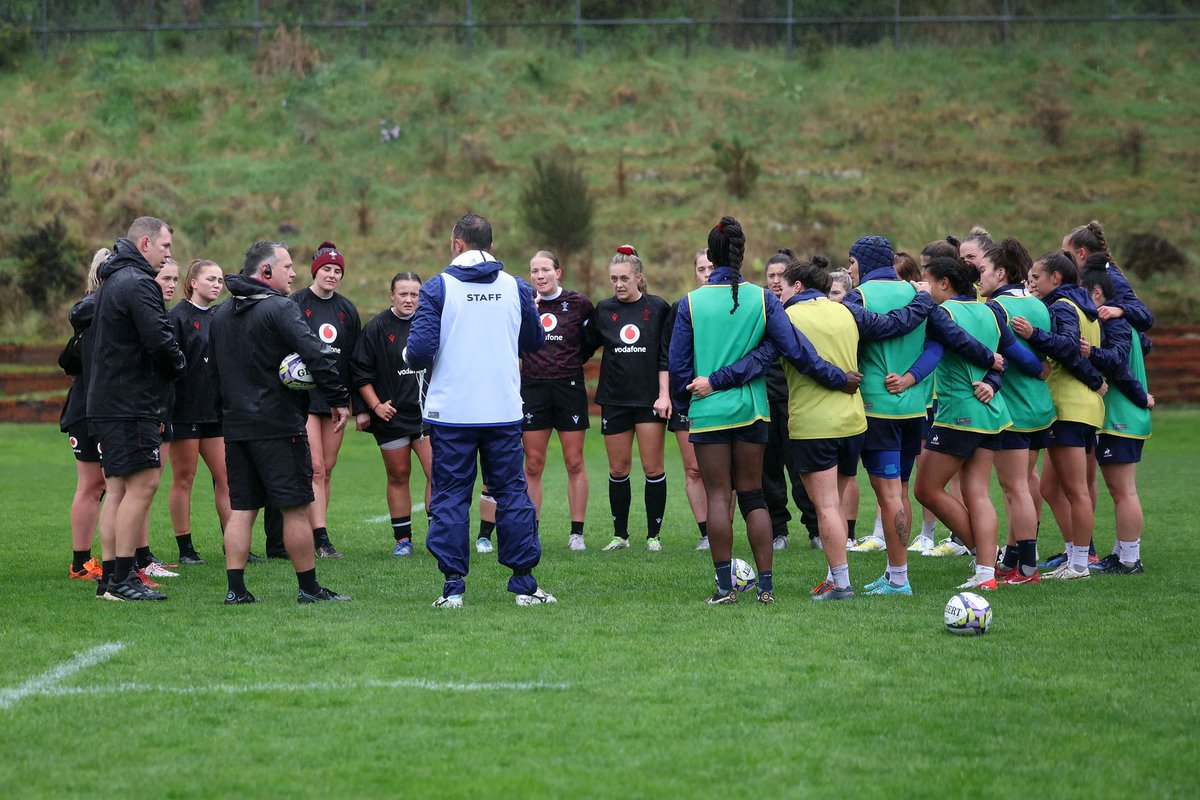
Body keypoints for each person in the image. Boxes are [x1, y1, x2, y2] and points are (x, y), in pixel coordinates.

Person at [670, 218, 863, 604]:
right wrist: (837, 378)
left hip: (708, 411)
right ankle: (766, 587)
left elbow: (678, 368)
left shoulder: (690, 302)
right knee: (754, 495)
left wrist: (685, 401)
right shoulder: (764, 300)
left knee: (719, 497)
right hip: (753, 411)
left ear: (711, 256)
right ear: (742, 256)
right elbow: (796, 351)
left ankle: (725, 589)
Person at [406, 214, 554, 608]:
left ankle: (453, 586)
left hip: (452, 413)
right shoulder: (516, 287)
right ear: (490, 243)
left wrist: (410, 352)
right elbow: (534, 341)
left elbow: (419, 350)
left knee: (452, 496)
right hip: (503, 410)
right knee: (512, 493)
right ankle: (524, 583)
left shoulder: (438, 287)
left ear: (457, 243)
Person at [210, 240, 352, 604]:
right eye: (287, 266)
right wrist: (337, 398)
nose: (293, 273)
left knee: (242, 509)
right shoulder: (281, 308)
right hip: (279, 426)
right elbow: (316, 355)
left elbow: (215, 372)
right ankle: (309, 589)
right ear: (266, 272)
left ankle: (236, 590)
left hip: (237, 427)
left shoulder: (222, 313)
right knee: (296, 507)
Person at [911, 255, 1044, 591]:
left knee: (925, 489)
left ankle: (982, 551)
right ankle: (985, 574)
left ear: (944, 283)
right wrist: (1039, 367)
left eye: (927, 280)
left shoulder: (944, 314)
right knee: (978, 494)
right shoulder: (992, 311)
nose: (923, 286)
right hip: (992, 414)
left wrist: (909, 379)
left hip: (958, 413)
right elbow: (1012, 359)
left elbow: (933, 355)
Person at [86, 217, 186, 601]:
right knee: (142, 484)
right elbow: (159, 339)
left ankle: (110, 579)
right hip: (130, 402)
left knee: (117, 489)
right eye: (164, 248)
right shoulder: (138, 282)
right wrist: (179, 365)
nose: (168, 256)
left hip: (110, 400)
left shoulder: (114, 278)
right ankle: (124, 580)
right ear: (145, 243)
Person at [1010, 252, 1107, 580]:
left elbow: (1066, 347)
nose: (1032, 282)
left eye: (1037, 276)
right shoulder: (1085, 308)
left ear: (1056, 278)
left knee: (1076, 489)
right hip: (1082, 406)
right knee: (1051, 488)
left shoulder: (1062, 306)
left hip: (1071, 407)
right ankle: (1074, 554)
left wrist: (1033, 335)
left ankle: (1080, 563)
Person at [583, 245, 673, 553]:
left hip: (648, 400)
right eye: (613, 279)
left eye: (624, 278)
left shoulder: (659, 307)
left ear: (638, 277)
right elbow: (584, 346)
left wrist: (664, 394)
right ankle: (620, 535)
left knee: (652, 468)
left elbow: (666, 355)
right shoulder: (604, 310)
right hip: (615, 399)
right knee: (618, 470)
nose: (619, 284)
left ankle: (653, 536)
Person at [979, 239, 1055, 585]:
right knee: (1025, 483)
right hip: (1040, 406)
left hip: (1014, 408)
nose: (979, 278)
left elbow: (1005, 355)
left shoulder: (998, 307)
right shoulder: (1039, 304)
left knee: (1015, 488)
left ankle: (1027, 568)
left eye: (982, 270)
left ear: (1001, 272)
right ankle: (1013, 559)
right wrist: (1042, 369)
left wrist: (1036, 368)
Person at [288, 241, 366, 558]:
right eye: (327, 269)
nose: (332, 274)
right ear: (315, 270)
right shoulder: (295, 303)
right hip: (305, 398)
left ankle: (316, 530)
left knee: (328, 469)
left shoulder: (346, 310)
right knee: (315, 468)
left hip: (336, 400)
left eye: (337, 270)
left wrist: (354, 405)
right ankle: (320, 539)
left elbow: (355, 361)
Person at [351, 271, 433, 557]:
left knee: (437, 472)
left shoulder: (432, 323)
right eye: (403, 294)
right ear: (392, 296)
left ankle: (438, 535)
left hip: (427, 416)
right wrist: (375, 406)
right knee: (398, 475)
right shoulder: (376, 327)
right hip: (391, 416)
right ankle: (403, 540)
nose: (409, 299)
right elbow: (360, 372)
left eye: (415, 294)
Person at [517, 250, 594, 550]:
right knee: (533, 464)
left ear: (557, 273)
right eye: (534, 271)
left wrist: (572, 361)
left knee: (574, 461)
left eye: (545, 269)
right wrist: (528, 309)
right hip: (533, 388)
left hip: (568, 387)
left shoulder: (579, 304)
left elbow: (590, 340)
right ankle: (530, 530)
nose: (539, 276)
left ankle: (576, 533)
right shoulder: (522, 303)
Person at [1080, 262, 1152, 575]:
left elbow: (1119, 366)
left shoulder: (1113, 322)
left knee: (1124, 491)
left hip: (1123, 417)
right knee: (1119, 490)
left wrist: (1090, 353)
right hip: (1123, 415)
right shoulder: (1117, 319)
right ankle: (1121, 552)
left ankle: (1129, 560)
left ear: (1097, 293)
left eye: (1084, 294)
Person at [165, 259, 231, 565]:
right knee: (185, 477)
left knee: (226, 477)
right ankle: (186, 548)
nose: (218, 284)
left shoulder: (221, 316)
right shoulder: (177, 317)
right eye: (211, 279)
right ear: (192, 283)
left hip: (215, 411)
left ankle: (234, 541)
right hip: (185, 411)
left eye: (220, 279)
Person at [760, 248, 820, 551]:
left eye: (780, 275)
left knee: (801, 468)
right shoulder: (761, 309)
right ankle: (778, 530)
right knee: (769, 468)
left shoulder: (803, 312)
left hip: (798, 399)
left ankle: (815, 530)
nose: (774, 281)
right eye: (770, 275)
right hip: (767, 398)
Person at [59, 248, 110, 582]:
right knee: (106, 486)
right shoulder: (100, 314)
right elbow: (70, 362)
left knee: (96, 486)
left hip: (91, 408)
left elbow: (68, 364)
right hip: (94, 409)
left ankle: (92, 561)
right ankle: (92, 563)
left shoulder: (87, 315)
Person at [665, 249, 716, 551]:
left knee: (723, 472)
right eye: (701, 269)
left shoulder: (733, 307)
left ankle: (723, 526)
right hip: (689, 399)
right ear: (694, 273)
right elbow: (671, 356)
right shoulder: (683, 306)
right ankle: (706, 533)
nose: (707, 273)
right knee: (694, 469)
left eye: (711, 267)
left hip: (723, 395)